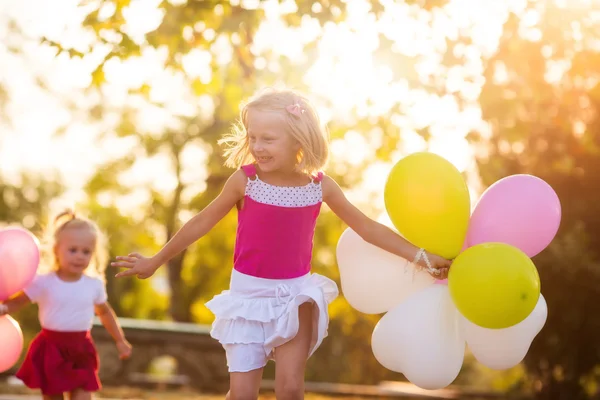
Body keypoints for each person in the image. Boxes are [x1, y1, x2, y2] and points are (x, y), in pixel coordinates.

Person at [111, 88, 451, 400]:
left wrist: (420, 256)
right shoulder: (245, 181)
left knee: (290, 390)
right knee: (243, 395)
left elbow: (367, 228)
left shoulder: (320, 186)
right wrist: (155, 260)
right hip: (247, 298)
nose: (257, 146)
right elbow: (200, 222)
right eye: (253, 137)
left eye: (268, 139)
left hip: (294, 297)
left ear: (298, 141)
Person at [0, 210, 132, 400]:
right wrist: (4, 308)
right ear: (56, 250)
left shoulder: (93, 284)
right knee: (53, 397)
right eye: (73, 250)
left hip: (80, 348)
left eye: (86, 252)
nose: (79, 256)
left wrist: (120, 339)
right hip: (51, 348)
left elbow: (104, 312)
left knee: (83, 396)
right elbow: (19, 301)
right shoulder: (44, 282)